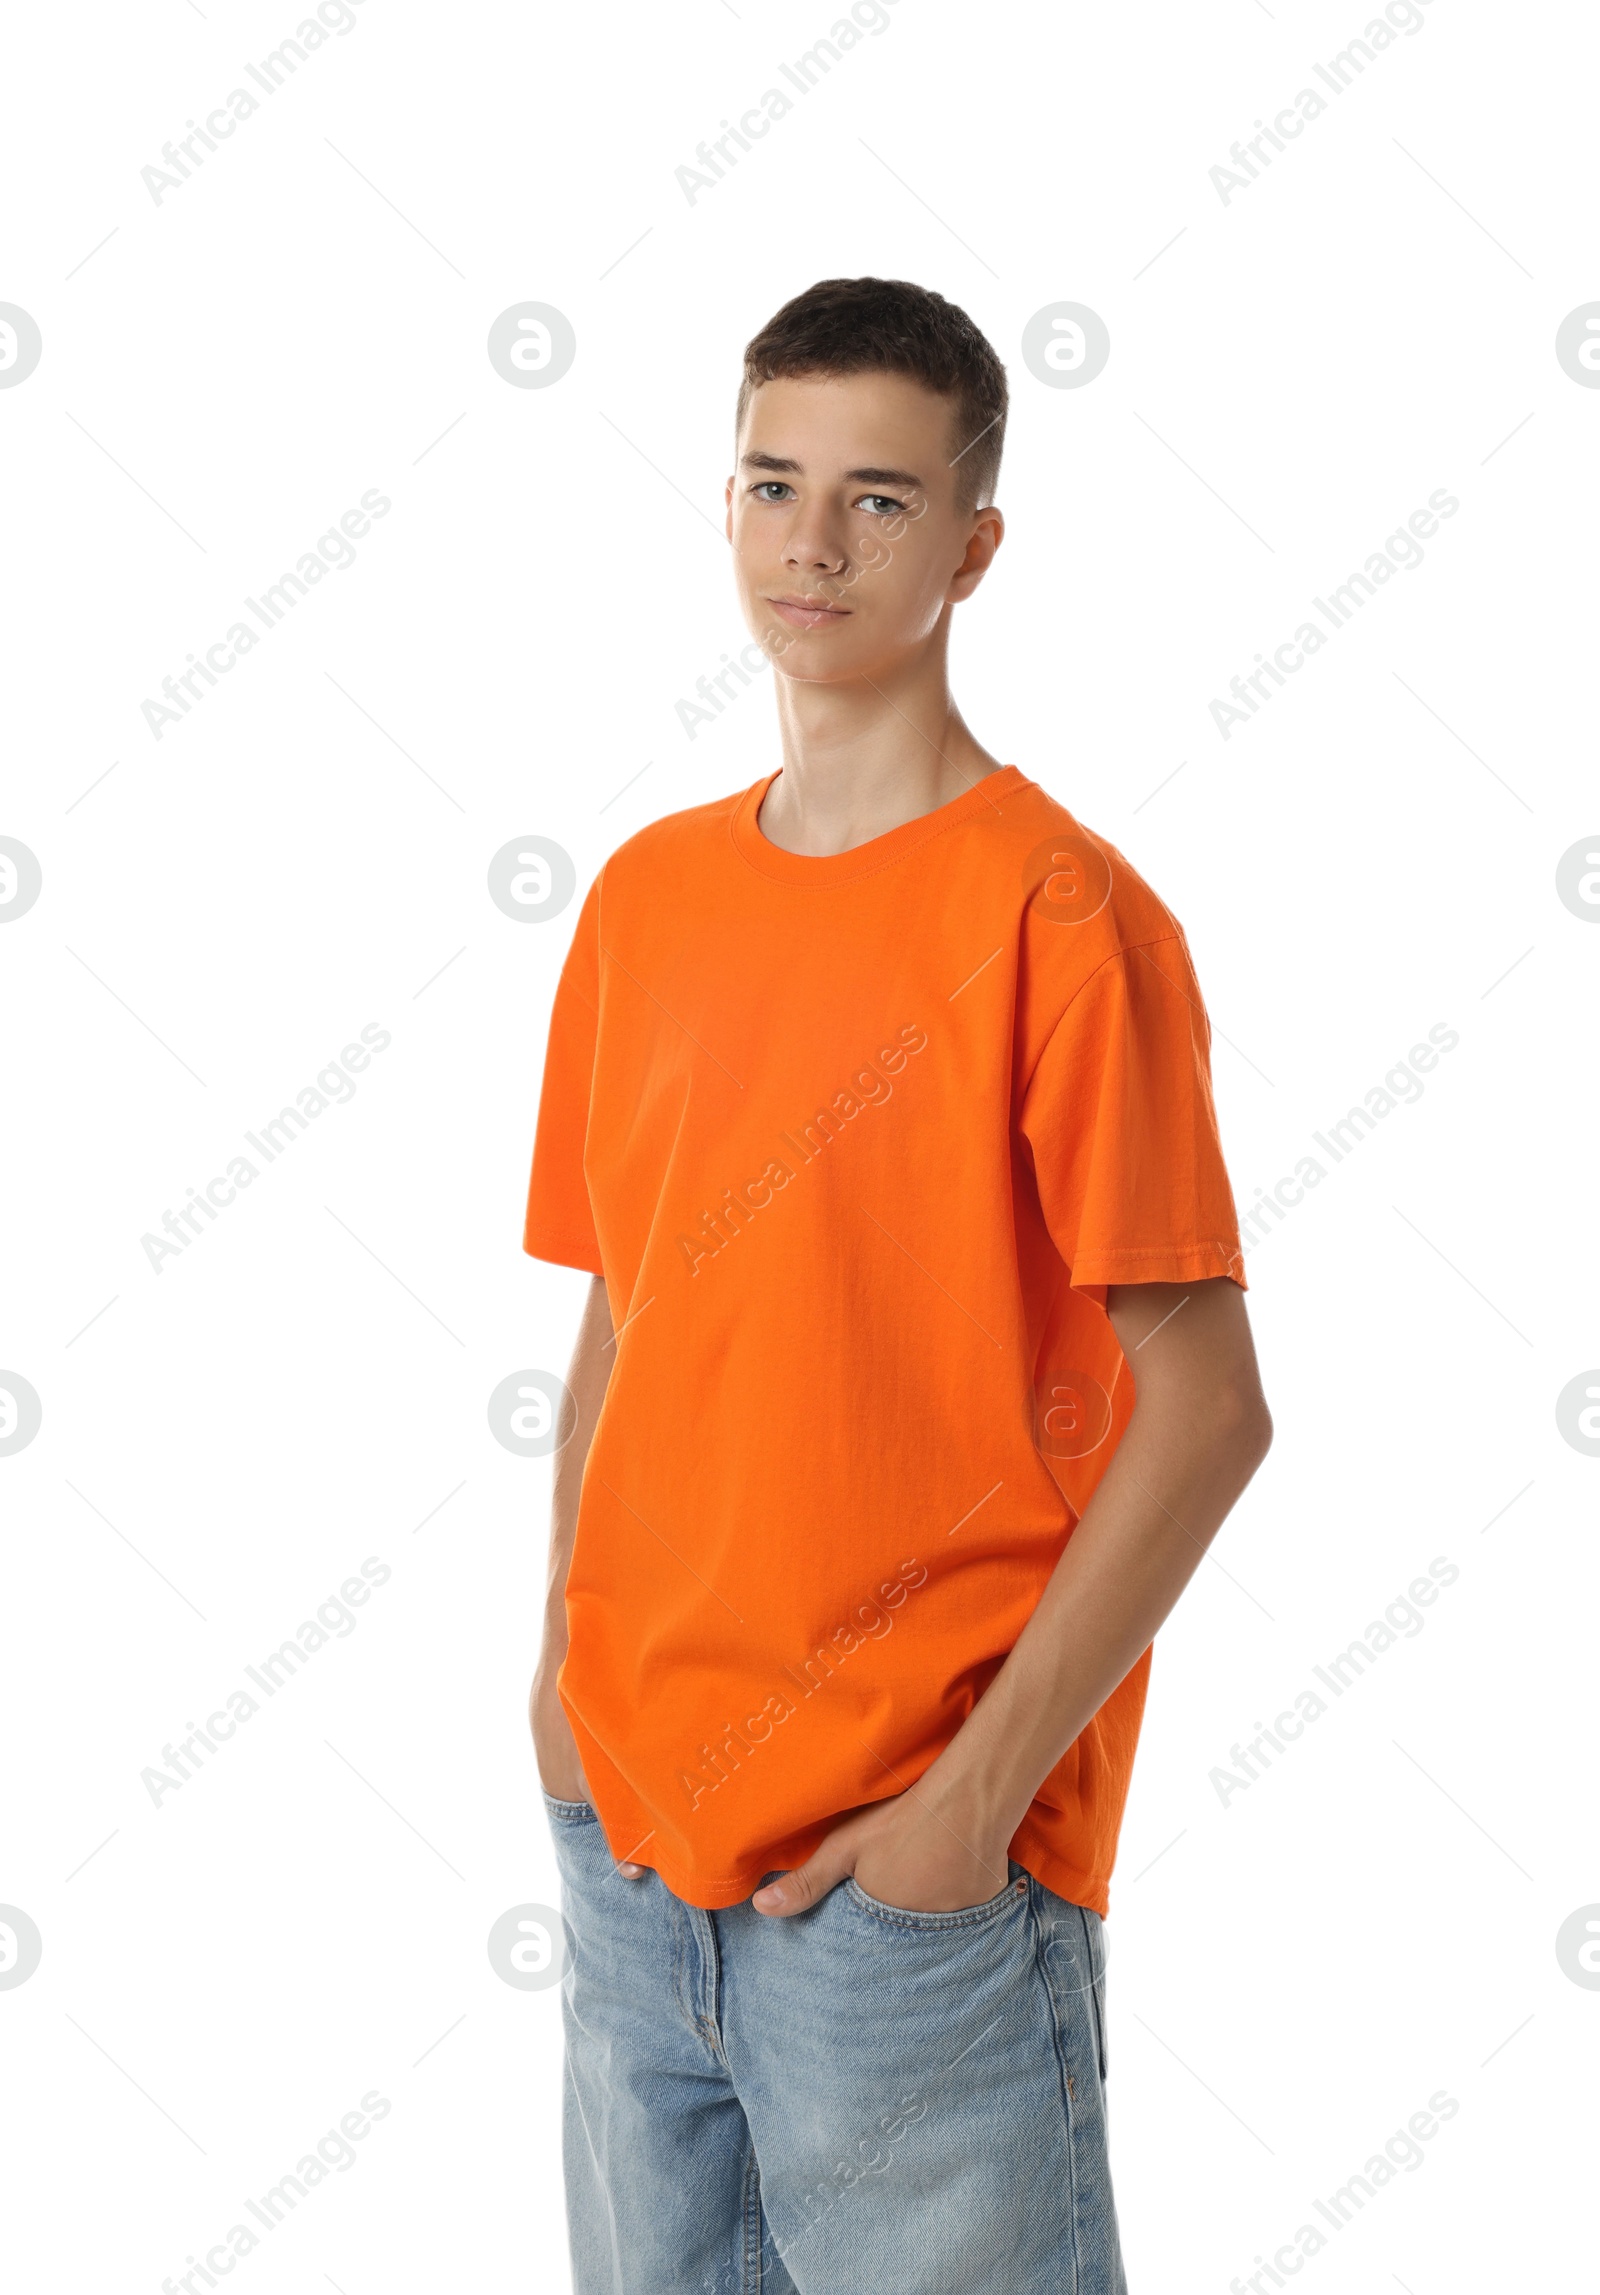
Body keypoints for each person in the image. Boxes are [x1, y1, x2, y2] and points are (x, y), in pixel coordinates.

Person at [523, 275, 1272, 2294]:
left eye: (874, 497)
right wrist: (556, 1687)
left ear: (971, 545)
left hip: (901, 1892)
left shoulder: (1060, 917)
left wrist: (972, 1807)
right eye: (773, 485)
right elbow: (624, 1315)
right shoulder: (647, 896)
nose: (812, 543)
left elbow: (1206, 1404)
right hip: (630, 1850)